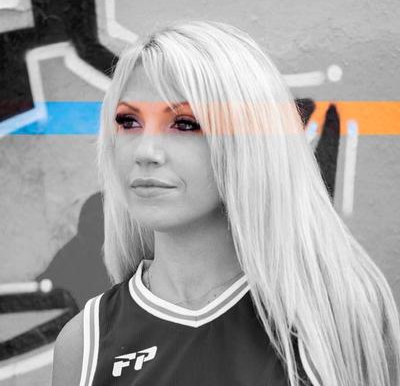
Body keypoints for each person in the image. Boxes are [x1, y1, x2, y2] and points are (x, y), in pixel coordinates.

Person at [52, 20, 400, 386]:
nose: (145, 152)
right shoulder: (86, 343)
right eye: (129, 122)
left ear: (248, 141)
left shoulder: (335, 317)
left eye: (184, 123)